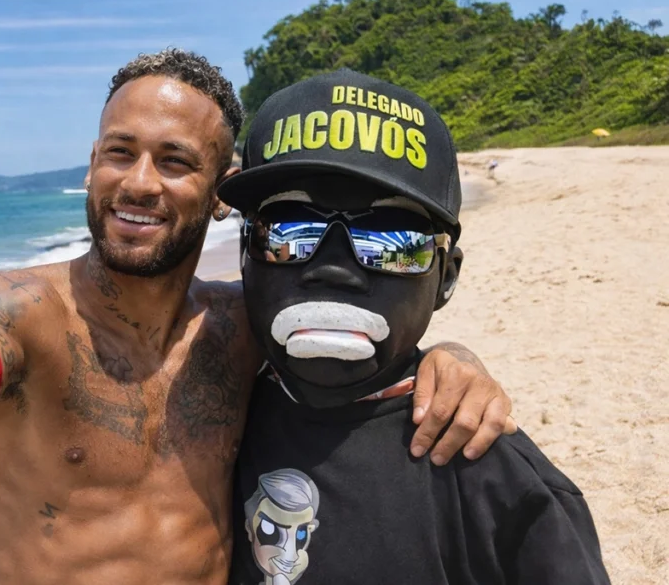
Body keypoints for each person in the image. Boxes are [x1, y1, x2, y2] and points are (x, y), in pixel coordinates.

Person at [0, 50, 515, 585]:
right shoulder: (18, 315)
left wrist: (452, 356)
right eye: (119, 152)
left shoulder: (240, 329)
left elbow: (352, 348)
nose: (138, 182)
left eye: (174, 160)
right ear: (91, 165)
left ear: (221, 195)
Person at [219, 69, 610, 584]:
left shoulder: (494, 478)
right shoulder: (210, 415)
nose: (332, 268)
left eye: (392, 243)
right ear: (244, 252)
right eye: (288, 231)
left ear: (446, 278)